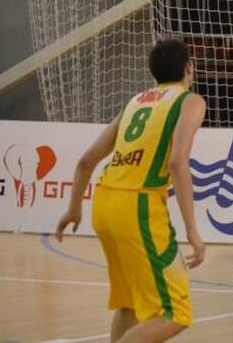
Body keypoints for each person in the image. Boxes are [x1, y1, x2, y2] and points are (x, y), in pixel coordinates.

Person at [55, 39, 207, 342]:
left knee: (130, 304)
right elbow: (177, 164)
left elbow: (86, 162)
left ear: (154, 72)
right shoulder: (190, 101)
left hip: (104, 204)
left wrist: (73, 208)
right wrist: (192, 230)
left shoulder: (134, 101)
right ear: (189, 68)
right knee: (175, 313)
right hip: (138, 206)